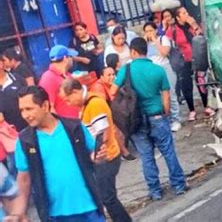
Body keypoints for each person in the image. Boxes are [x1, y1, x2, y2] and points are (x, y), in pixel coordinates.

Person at [15, 86, 107, 221]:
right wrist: (20, 213)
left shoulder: (74, 127)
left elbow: (93, 155)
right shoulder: (25, 140)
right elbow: (23, 179)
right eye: (22, 110)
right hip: (55, 215)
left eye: (29, 109)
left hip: (89, 207)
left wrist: (99, 157)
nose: (25, 115)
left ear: (45, 106)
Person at [111, 38, 186, 200]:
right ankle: (179, 185)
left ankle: (155, 191)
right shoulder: (158, 70)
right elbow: (166, 97)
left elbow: (112, 91)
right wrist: (165, 113)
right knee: (168, 152)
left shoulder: (126, 69)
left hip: (136, 120)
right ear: (146, 50)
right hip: (157, 116)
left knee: (146, 156)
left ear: (133, 52)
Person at [59, 79, 132, 222]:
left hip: (106, 157)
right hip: (102, 157)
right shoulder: (87, 104)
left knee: (108, 198)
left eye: (68, 100)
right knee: (106, 196)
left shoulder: (94, 104)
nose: (68, 104)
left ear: (75, 92)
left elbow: (101, 135)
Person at [166, 7, 215, 121]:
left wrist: (194, 25)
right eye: (183, 13)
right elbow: (169, 42)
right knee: (186, 85)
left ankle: (207, 106)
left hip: (197, 57)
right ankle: (192, 110)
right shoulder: (173, 29)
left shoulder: (192, 26)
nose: (187, 14)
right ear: (178, 17)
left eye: (186, 12)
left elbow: (201, 36)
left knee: (201, 82)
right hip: (183, 60)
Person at [90, 66, 136, 161]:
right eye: (108, 75)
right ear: (101, 77)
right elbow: (101, 108)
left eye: (113, 74)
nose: (112, 77)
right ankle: (124, 152)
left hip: (111, 112)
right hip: (101, 116)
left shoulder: (112, 84)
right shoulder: (98, 87)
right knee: (115, 129)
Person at [143, 22, 181, 132]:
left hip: (164, 68)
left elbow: (164, 52)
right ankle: (166, 119)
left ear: (155, 30)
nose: (149, 33)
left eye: (151, 30)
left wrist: (155, 41)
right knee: (159, 95)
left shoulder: (162, 39)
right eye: (146, 31)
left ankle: (175, 118)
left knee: (170, 93)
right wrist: (145, 42)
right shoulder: (145, 44)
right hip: (152, 70)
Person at [38, 45, 80, 118]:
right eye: (71, 57)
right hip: (67, 126)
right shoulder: (48, 78)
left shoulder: (68, 75)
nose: (72, 59)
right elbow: (49, 108)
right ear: (65, 58)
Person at [0, 54, 28, 131]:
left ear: (2, 63)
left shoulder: (17, 79)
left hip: (26, 126)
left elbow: (28, 98)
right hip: (6, 133)